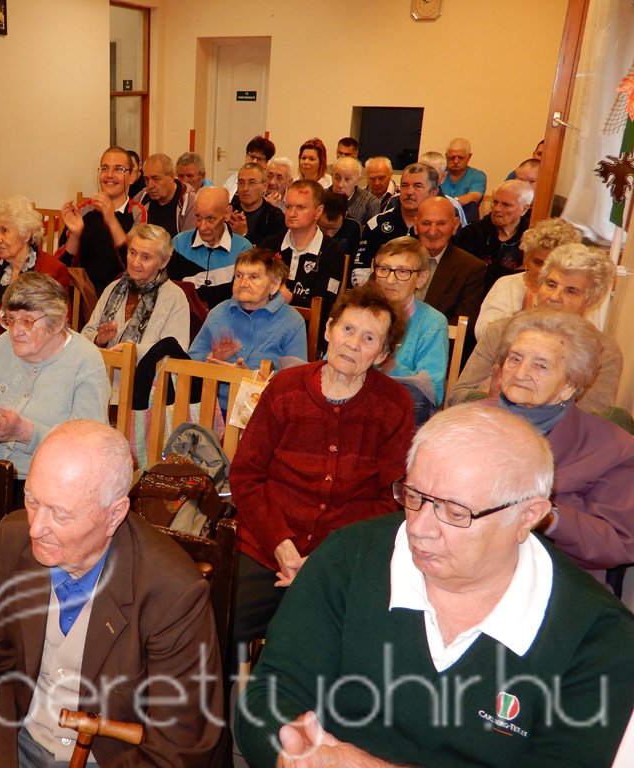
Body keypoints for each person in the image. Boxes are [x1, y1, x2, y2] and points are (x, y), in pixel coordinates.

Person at [236, 404, 634, 768]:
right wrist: (293, 754)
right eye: (414, 496)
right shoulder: (348, 558)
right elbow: (271, 693)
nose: (419, 528)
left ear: (527, 516)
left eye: (455, 512)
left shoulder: (596, 635)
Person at [0, 419, 224, 767]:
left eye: (61, 514)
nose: (36, 528)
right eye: (32, 500)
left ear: (115, 515)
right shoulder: (13, 539)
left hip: (113, 759)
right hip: (15, 739)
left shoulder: (174, 593)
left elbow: (179, 744)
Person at [228, 282, 414, 643]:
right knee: (219, 625)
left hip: (345, 556)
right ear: (329, 330)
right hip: (266, 546)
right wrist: (281, 545)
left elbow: (391, 498)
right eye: (347, 329)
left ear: (382, 354)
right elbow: (247, 476)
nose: (353, 343)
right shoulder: (286, 387)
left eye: (369, 338)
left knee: (332, 642)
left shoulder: (394, 404)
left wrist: (328, 555)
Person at [0, 272, 109, 503]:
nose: (15, 331)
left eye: (27, 321)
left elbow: (88, 446)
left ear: (57, 322)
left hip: (51, 479)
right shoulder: (0, 347)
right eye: (10, 319)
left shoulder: (85, 360)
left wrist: (26, 433)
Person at [490, 309, 634, 587]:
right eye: (515, 358)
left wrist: (550, 518)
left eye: (540, 366)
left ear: (570, 385)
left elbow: (619, 542)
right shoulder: (466, 421)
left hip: (554, 580)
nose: (520, 373)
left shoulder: (613, 448)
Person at [450, 243, 620, 414]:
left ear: (591, 300)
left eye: (570, 291)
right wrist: (491, 401)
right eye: (551, 284)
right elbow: (458, 395)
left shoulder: (603, 351)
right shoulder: (501, 330)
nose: (555, 297)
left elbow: (594, 417)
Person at [188, 247, 306, 388]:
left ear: (274, 285)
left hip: (262, 400)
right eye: (239, 275)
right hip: (215, 399)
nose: (243, 284)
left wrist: (250, 377)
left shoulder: (292, 321)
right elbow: (191, 358)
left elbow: (297, 378)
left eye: (253, 277)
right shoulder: (219, 312)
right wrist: (208, 359)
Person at [82, 222, 190, 359]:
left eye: (145, 257)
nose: (135, 262)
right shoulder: (113, 288)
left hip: (144, 373)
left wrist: (133, 351)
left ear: (163, 262)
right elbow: (84, 336)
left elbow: (175, 352)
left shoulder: (174, 297)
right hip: (102, 370)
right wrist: (98, 339)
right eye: (132, 253)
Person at [260, 181, 346, 346]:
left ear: (318, 211)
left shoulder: (332, 252)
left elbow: (324, 305)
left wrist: (290, 298)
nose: (292, 213)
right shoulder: (269, 245)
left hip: (308, 336)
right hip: (266, 330)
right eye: (288, 207)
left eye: (300, 208)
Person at [372, 237, 448, 422]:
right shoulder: (358, 311)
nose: (390, 280)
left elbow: (433, 391)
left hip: (400, 412)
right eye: (384, 269)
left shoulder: (433, 323)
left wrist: (388, 364)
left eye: (402, 272)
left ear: (421, 278)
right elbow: (328, 362)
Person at [0, 195, 71, 337]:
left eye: (4, 231)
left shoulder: (52, 271)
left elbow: (57, 329)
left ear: (26, 234)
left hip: (34, 348)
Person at [58, 147, 148, 296]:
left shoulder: (138, 212)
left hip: (123, 295)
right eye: (104, 168)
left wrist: (111, 220)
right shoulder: (84, 210)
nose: (109, 175)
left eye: (118, 169)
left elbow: (136, 266)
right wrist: (75, 235)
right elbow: (60, 267)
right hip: (83, 295)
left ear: (132, 176)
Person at [475, 217, 581, 338]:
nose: (543, 271)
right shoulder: (506, 285)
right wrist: (520, 317)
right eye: (538, 262)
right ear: (526, 258)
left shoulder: (576, 293)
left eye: (551, 265)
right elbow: (481, 334)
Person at [352, 163, 439, 286]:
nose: (409, 192)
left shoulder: (439, 229)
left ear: (433, 192)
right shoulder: (376, 224)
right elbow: (360, 271)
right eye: (405, 185)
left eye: (418, 186)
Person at [169, 186, 253, 308]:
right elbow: (171, 296)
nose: (202, 227)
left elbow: (244, 300)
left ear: (227, 213)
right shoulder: (179, 244)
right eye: (198, 217)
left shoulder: (243, 249)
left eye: (210, 219)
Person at [413, 196, 486, 327]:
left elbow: (462, 325)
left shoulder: (470, 268)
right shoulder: (394, 258)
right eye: (426, 223)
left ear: (455, 225)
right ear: (415, 225)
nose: (432, 231)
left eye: (441, 224)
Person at [455, 180, 533, 290]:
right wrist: (515, 273)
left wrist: (490, 270)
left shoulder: (532, 237)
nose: (496, 209)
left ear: (524, 209)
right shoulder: (471, 233)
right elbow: (469, 274)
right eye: (495, 202)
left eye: (506, 205)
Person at [132, 153, 196, 236]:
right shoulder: (142, 197)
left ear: (172, 177)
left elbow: (188, 241)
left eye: (156, 179)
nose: (150, 185)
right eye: (146, 179)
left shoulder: (189, 202)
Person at [229, 162, 286, 245]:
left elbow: (271, 249)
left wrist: (245, 233)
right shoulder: (229, 211)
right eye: (241, 182)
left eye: (252, 182)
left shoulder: (275, 217)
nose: (245, 188)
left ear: (265, 186)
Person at [442, 137, 487, 222]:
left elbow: (475, 197)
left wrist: (445, 204)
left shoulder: (477, 175)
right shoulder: (438, 173)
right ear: (446, 156)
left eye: (460, 157)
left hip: (466, 221)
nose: (456, 161)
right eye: (452, 157)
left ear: (469, 157)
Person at [330, 157, 380, 229]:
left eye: (347, 179)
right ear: (331, 176)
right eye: (337, 178)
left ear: (358, 180)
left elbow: (371, 233)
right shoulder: (321, 196)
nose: (340, 185)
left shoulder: (370, 203)